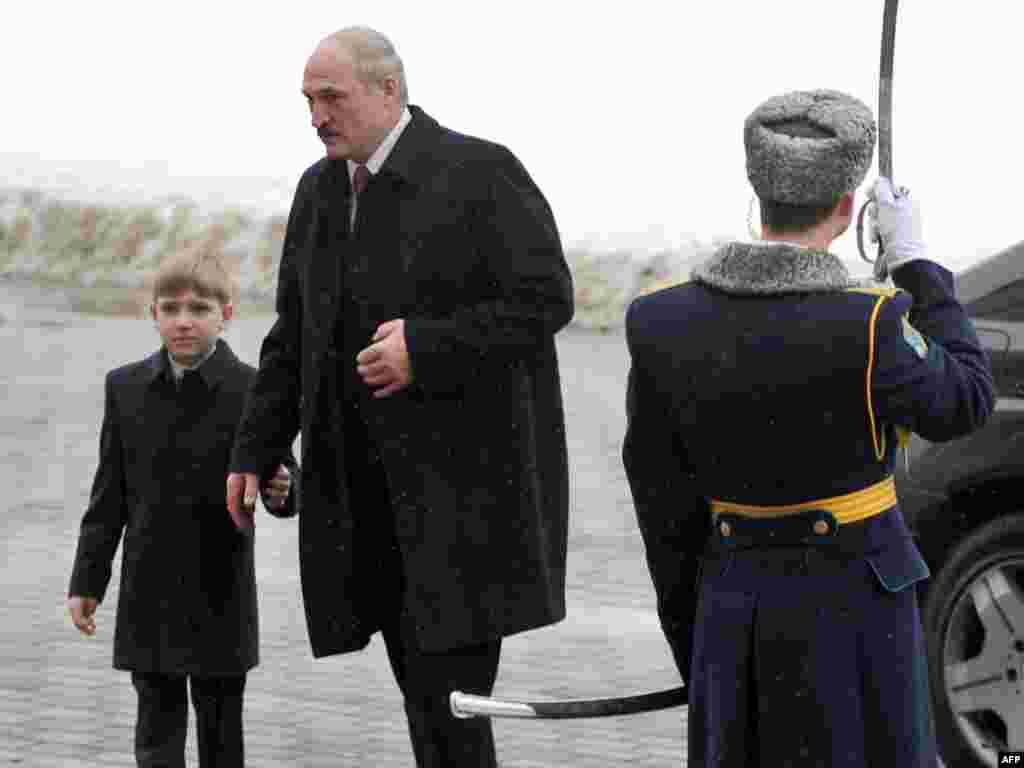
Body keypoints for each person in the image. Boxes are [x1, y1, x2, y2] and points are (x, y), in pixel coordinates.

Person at [224, 26, 573, 768]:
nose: (316, 115)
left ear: (389, 90)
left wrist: (430, 347)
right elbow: (294, 333)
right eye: (308, 100)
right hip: (361, 511)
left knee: (452, 717)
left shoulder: (481, 172)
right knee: (428, 716)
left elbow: (547, 301)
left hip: (464, 513)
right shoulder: (320, 190)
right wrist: (254, 447)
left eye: (331, 97)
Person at [622, 89, 995, 766]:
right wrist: (916, 264)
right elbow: (966, 399)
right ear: (849, 207)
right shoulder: (870, 325)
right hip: (856, 610)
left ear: (755, 187)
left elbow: (663, 510)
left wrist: (697, 638)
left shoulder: (658, 321)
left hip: (734, 608)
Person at [67, 250, 298, 768]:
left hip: (222, 592)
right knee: (156, 737)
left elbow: (284, 477)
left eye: (199, 308)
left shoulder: (253, 389)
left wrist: (283, 489)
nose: (183, 320)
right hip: (147, 593)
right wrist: (87, 581)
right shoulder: (124, 388)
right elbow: (108, 497)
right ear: (153, 314)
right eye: (170, 308)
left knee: (221, 737)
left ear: (226, 314)